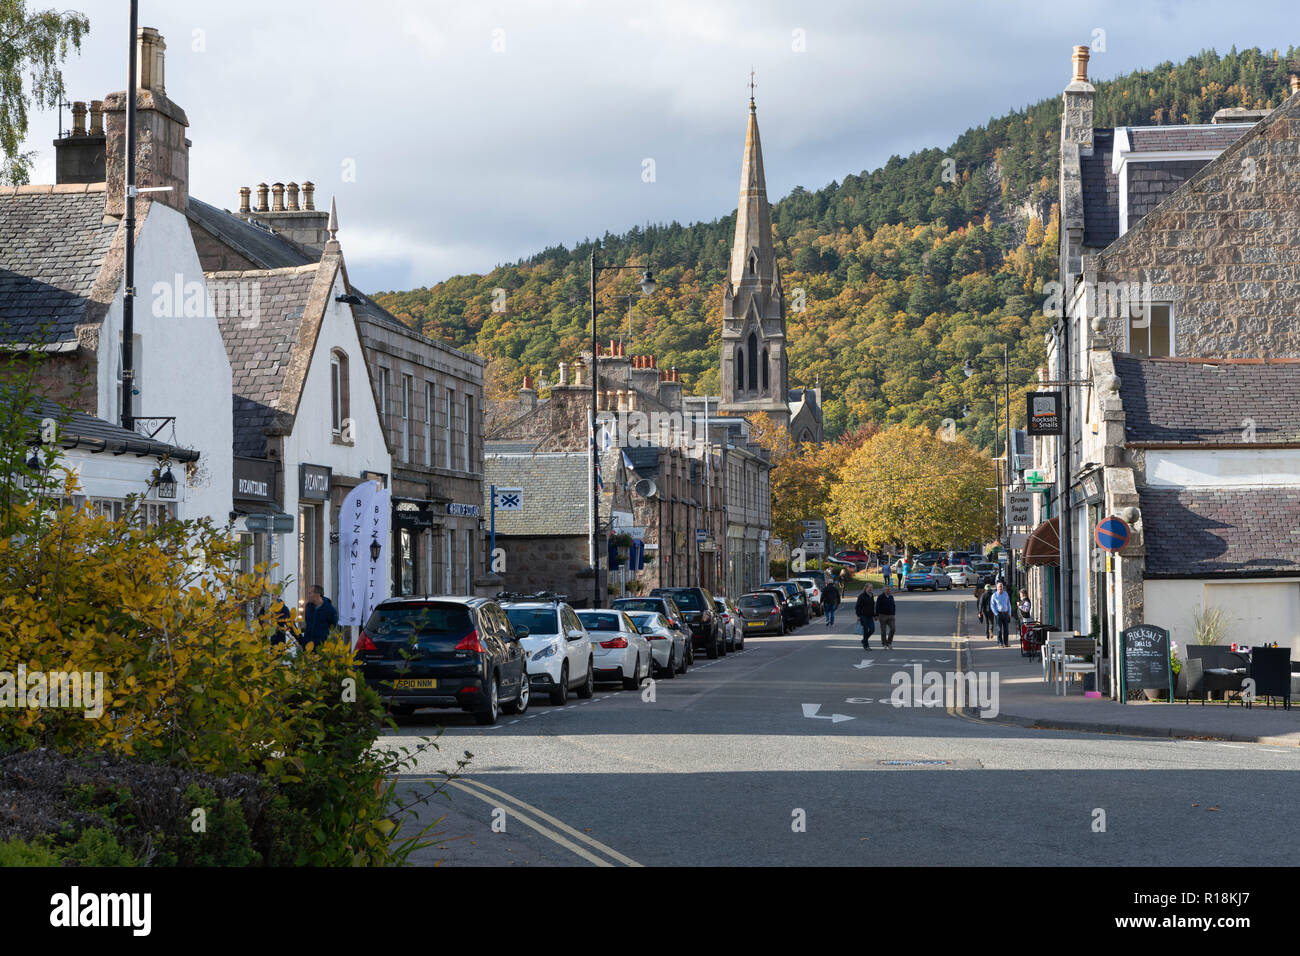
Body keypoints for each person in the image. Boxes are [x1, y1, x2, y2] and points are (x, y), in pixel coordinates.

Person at [301, 584, 339, 649]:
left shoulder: (329, 609)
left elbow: (333, 625)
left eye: (310, 593)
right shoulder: (308, 607)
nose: (308, 596)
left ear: (317, 595)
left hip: (321, 646)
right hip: (308, 645)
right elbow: (308, 623)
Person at [990, 581, 1013, 646]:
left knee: (1006, 630)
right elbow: (992, 606)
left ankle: (1006, 643)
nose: (1000, 589)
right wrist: (996, 613)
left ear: (1003, 588)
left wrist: (1009, 613)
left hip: (1005, 614)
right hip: (998, 614)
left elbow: (1008, 604)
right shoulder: (994, 595)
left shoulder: (1006, 594)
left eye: (1001, 587)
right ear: (997, 588)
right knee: (999, 629)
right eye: (999, 587)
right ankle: (1000, 643)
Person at [855, 585, 876, 650]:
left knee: (872, 629)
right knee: (865, 630)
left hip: (870, 615)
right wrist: (858, 615)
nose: (871, 589)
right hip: (863, 615)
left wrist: (875, 615)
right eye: (869, 587)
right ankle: (866, 645)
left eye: (871, 587)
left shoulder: (871, 595)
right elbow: (857, 607)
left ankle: (864, 640)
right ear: (866, 588)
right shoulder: (861, 596)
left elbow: (873, 606)